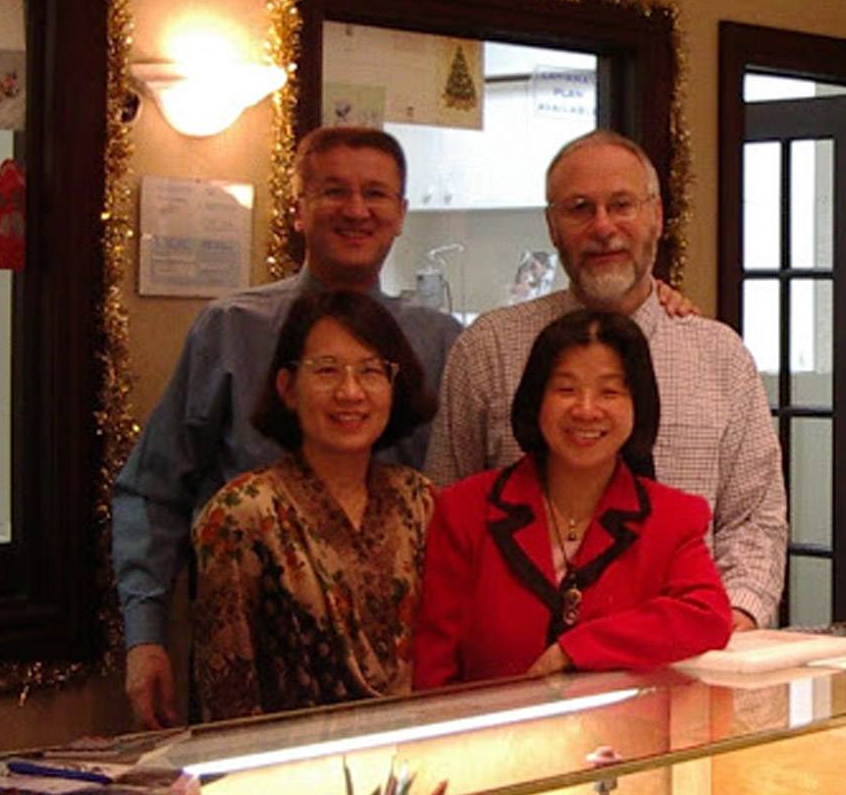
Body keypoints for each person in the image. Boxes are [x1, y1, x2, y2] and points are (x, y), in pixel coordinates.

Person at [113, 127, 461, 729]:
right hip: (256, 674)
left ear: (401, 214)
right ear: (298, 209)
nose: (356, 210)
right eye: (334, 191)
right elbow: (154, 489)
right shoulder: (231, 329)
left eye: (376, 194)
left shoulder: (441, 339)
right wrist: (144, 638)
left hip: (407, 688)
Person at [425, 129, 788, 637]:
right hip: (522, 677)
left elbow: (755, 521)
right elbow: (445, 512)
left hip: (693, 664)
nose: (603, 227)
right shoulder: (490, 349)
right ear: (552, 226)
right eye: (579, 208)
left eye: (622, 205)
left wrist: (723, 623)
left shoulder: (719, 356)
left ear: (657, 217)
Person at [413, 310, 732, 686]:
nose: (585, 409)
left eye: (609, 392)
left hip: (626, 740)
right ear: (536, 399)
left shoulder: (673, 517)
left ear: (637, 405)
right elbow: (433, 671)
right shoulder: (465, 510)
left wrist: (577, 649)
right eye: (566, 389)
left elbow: (708, 618)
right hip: (487, 740)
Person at [192, 289, 437, 719]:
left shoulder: (418, 501)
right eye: (327, 371)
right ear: (287, 388)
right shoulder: (242, 514)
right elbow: (228, 696)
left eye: (370, 372)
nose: (350, 392)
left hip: (412, 765)